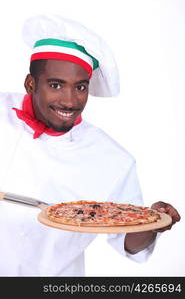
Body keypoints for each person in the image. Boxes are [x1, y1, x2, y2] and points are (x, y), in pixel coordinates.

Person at [0, 15, 180, 276]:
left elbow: (130, 243)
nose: (70, 101)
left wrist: (150, 224)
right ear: (31, 84)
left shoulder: (112, 159)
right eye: (55, 85)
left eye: (80, 87)